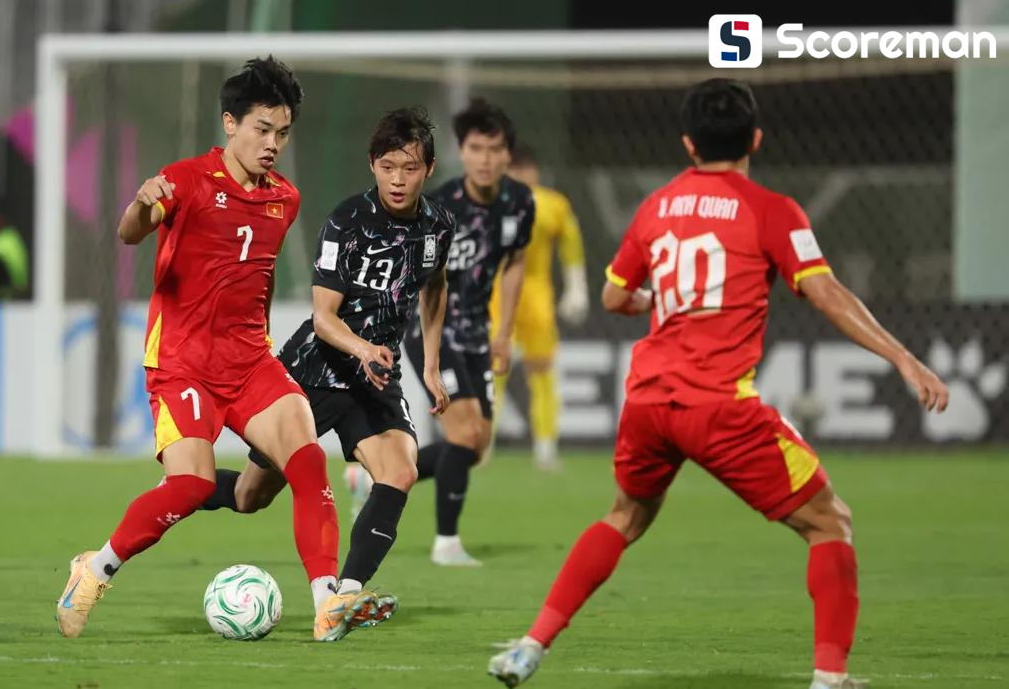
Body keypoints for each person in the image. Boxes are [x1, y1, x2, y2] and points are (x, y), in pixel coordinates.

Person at [488, 78, 949, 689]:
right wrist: (903, 357)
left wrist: (665, 300)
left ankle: (530, 645)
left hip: (649, 400)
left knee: (624, 515)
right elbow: (826, 294)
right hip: (718, 406)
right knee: (829, 521)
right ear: (755, 138)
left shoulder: (655, 207)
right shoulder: (772, 211)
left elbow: (614, 295)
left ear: (688, 143)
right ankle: (831, 678)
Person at [56, 56, 350, 642]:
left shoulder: (283, 200)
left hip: (249, 362)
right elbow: (130, 232)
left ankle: (326, 602)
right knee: (190, 485)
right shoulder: (186, 179)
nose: (273, 144)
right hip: (183, 363)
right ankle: (94, 568)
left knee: (309, 456)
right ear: (230, 124)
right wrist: (142, 203)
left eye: (283, 133)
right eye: (262, 129)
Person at [197, 107, 455, 637]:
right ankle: (183, 484)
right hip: (314, 372)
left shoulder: (438, 226)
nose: (398, 179)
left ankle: (344, 597)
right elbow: (323, 318)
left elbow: (435, 285)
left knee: (400, 470)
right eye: (387, 167)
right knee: (251, 496)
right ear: (372, 166)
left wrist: (430, 364)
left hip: (374, 375)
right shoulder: (348, 220)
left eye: (409, 167)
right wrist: (364, 347)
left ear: (428, 168)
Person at [399, 98, 533, 567]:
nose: (485, 158)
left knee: (475, 446)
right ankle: (447, 543)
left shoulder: (520, 202)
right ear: (462, 151)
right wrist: (431, 355)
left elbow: (515, 264)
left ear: (507, 154)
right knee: (463, 434)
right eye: (476, 148)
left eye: (495, 149)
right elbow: (421, 281)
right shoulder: (441, 209)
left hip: (479, 334)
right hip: (431, 331)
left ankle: (386, 471)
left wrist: (505, 334)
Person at [489, 144, 588, 471]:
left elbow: (571, 246)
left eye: (525, 168)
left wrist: (576, 288)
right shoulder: (489, 202)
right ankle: (482, 445)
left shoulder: (553, 204)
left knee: (542, 369)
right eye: (515, 169)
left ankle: (545, 446)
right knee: (493, 371)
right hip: (497, 294)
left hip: (537, 295)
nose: (521, 175)